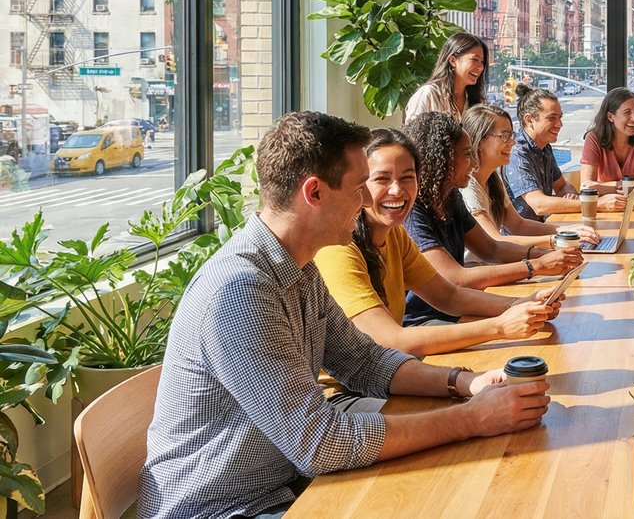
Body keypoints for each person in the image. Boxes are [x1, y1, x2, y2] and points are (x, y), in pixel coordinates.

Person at [140, 112, 549, 519]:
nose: (366, 200)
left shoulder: (298, 265)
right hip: (222, 508)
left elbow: (365, 361)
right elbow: (319, 441)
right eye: (358, 188)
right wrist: (471, 419)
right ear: (314, 193)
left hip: (282, 485)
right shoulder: (240, 292)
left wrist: (465, 382)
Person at [315, 127, 564, 409]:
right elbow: (391, 340)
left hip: (392, 374)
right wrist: (499, 326)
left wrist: (520, 304)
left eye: (407, 178)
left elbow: (448, 296)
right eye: (382, 179)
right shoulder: (339, 248)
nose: (397, 190)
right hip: (344, 395)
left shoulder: (394, 233)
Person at [402, 112, 581, 324]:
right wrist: (537, 265)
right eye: (467, 155)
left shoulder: (451, 197)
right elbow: (455, 279)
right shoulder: (414, 212)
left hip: (460, 308)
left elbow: (492, 248)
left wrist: (546, 258)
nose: (472, 163)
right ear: (444, 159)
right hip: (427, 321)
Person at [460, 104, 599, 248]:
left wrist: (566, 230)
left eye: (511, 135)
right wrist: (555, 239)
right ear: (479, 140)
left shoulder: (493, 180)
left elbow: (518, 225)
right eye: (504, 136)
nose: (512, 142)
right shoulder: (468, 188)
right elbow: (496, 242)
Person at [505, 84, 624, 220]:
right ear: (529, 120)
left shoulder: (544, 147)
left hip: (545, 227)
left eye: (560, 117)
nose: (559, 124)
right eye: (552, 118)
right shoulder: (517, 153)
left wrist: (570, 196)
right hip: (524, 238)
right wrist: (595, 204)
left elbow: (562, 186)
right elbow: (539, 205)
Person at [580, 87, 634, 194]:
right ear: (610, 116)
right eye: (627, 112)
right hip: (604, 205)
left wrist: (602, 187)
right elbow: (586, 186)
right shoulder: (594, 138)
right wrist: (626, 187)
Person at [406, 32, 488, 119]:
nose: (480, 67)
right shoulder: (429, 95)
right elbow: (413, 131)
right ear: (453, 61)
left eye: (482, 62)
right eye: (475, 59)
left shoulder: (477, 101)